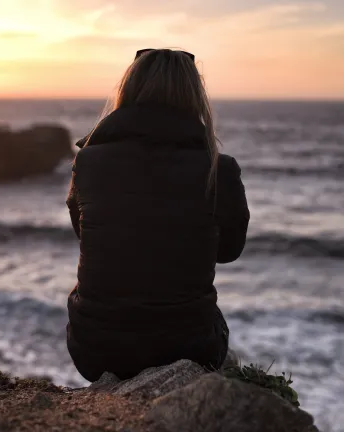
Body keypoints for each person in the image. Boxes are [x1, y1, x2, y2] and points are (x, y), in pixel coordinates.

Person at [65, 48, 250, 382]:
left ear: (128, 89)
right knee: (221, 339)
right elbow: (229, 252)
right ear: (196, 96)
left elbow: (87, 235)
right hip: (189, 346)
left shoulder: (89, 160)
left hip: (94, 348)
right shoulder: (218, 169)